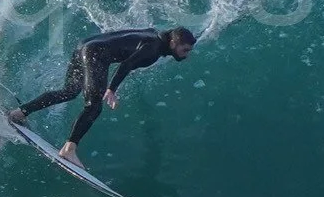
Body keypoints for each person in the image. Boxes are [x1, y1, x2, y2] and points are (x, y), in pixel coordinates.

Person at [10, 26, 195, 162]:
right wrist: (111, 89)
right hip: (95, 54)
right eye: (184, 50)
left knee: (70, 92)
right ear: (173, 43)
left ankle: (19, 112)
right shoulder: (153, 48)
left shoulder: (153, 33)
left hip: (85, 46)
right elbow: (126, 65)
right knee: (94, 106)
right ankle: (69, 149)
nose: (186, 55)